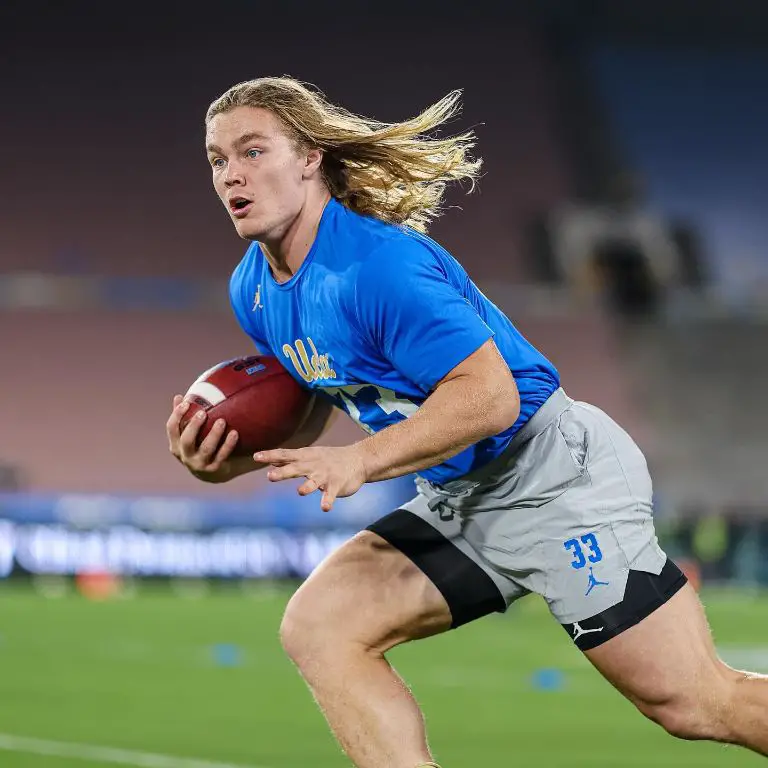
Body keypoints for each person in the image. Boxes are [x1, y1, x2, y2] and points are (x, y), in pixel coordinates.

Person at [166, 77, 768, 767]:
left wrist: (360, 462)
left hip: (550, 478)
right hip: (466, 497)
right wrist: (226, 457)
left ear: (310, 158)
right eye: (218, 159)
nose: (232, 174)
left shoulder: (376, 266)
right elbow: (321, 395)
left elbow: (491, 398)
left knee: (690, 702)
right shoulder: (254, 288)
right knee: (323, 625)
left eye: (252, 150)